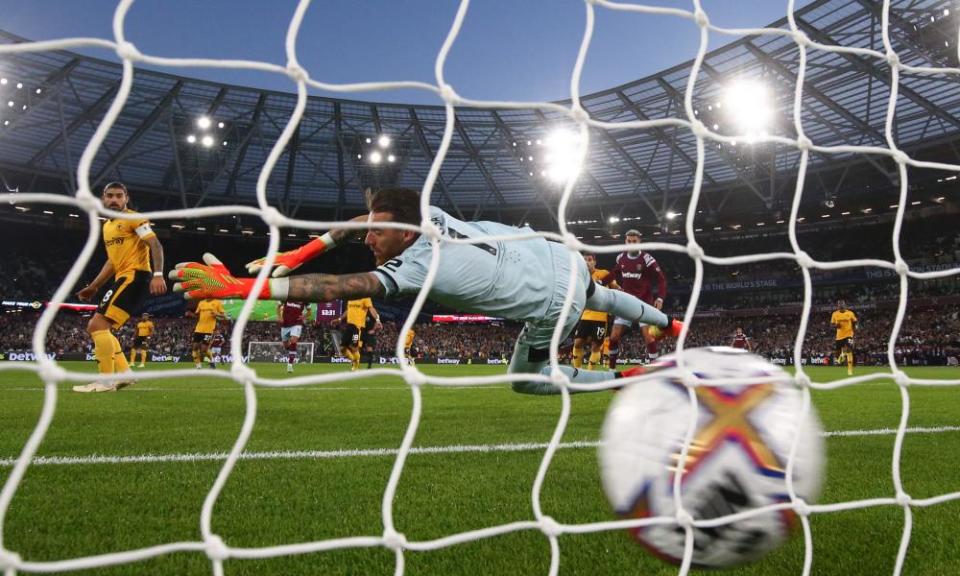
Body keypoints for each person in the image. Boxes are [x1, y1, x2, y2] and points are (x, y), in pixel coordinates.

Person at [170, 187, 682, 394]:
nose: (369, 238)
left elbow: (340, 288)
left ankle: (626, 375)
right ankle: (669, 323)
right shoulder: (428, 214)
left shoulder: (415, 268)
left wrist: (246, 285)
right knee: (599, 294)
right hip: (556, 257)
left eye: (378, 232)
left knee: (525, 381)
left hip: (549, 307)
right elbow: (358, 222)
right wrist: (302, 251)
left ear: (406, 234)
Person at [74, 182, 166, 392]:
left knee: (96, 326)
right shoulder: (107, 226)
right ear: (103, 199)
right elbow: (111, 262)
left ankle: (105, 382)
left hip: (135, 277)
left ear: (126, 198)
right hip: (124, 278)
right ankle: (125, 375)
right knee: (101, 328)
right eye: (110, 196)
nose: (114, 200)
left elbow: (155, 244)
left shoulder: (133, 218)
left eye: (118, 196)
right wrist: (94, 287)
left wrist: (158, 274)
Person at [607, 229, 667, 369]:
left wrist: (660, 298)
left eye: (634, 241)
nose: (632, 244)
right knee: (614, 337)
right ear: (625, 242)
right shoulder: (620, 258)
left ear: (640, 242)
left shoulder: (647, 259)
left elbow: (661, 280)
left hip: (644, 304)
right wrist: (598, 282)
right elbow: (613, 274)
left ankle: (654, 370)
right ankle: (611, 370)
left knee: (649, 338)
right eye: (629, 241)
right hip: (626, 303)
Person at [572, 253, 617, 370]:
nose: (587, 262)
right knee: (577, 343)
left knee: (596, 346)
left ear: (595, 262)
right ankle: (577, 371)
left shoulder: (604, 274)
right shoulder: (580, 276)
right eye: (585, 260)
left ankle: (589, 372)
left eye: (590, 259)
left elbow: (615, 288)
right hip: (585, 315)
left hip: (600, 317)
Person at [332, 298, 380, 370]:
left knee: (354, 347)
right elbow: (348, 310)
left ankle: (356, 365)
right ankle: (353, 360)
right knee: (342, 349)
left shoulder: (365, 298)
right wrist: (340, 319)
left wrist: (377, 320)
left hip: (358, 327)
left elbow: (371, 309)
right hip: (349, 326)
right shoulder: (351, 298)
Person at [186, 298, 226, 368]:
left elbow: (224, 316)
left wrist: (216, 314)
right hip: (199, 329)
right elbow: (197, 316)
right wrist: (190, 314)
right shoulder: (201, 302)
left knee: (204, 350)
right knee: (195, 347)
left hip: (209, 330)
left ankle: (212, 361)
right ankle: (198, 366)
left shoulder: (217, 302)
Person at [277, 300, 311, 373]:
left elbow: (309, 311)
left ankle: (290, 364)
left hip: (297, 323)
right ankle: (293, 350)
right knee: (286, 345)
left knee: (293, 340)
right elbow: (278, 307)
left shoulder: (304, 299)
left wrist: (304, 316)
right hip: (285, 324)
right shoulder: (287, 296)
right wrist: (280, 317)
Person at [831, 299, 857, 376]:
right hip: (839, 337)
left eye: (842, 304)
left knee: (849, 349)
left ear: (845, 305)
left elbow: (855, 321)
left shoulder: (850, 313)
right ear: (838, 305)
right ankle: (841, 356)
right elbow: (831, 325)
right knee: (838, 355)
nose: (841, 305)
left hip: (849, 334)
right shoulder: (835, 314)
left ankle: (850, 370)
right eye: (839, 304)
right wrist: (836, 326)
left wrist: (855, 327)